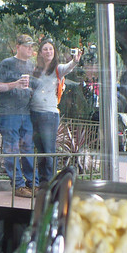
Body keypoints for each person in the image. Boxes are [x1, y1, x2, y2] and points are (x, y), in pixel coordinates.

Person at [0, 34, 38, 198]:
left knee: (28, 148)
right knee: (12, 148)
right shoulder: (7, 63)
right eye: (26, 46)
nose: (30, 49)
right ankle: (18, 185)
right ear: (18, 46)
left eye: (31, 46)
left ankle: (33, 184)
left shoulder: (31, 65)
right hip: (8, 113)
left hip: (26, 113)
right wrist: (15, 84)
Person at [29, 38, 81, 186]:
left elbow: (68, 67)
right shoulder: (35, 71)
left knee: (49, 151)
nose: (48, 51)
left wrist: (75, 61)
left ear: (54, 52)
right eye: (45, 49)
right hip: (34, 113)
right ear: (40, 53)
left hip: (49, 115)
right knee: (40, 150)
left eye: (50, 49)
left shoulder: (58, 69)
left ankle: (51, 183)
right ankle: (42, 182)